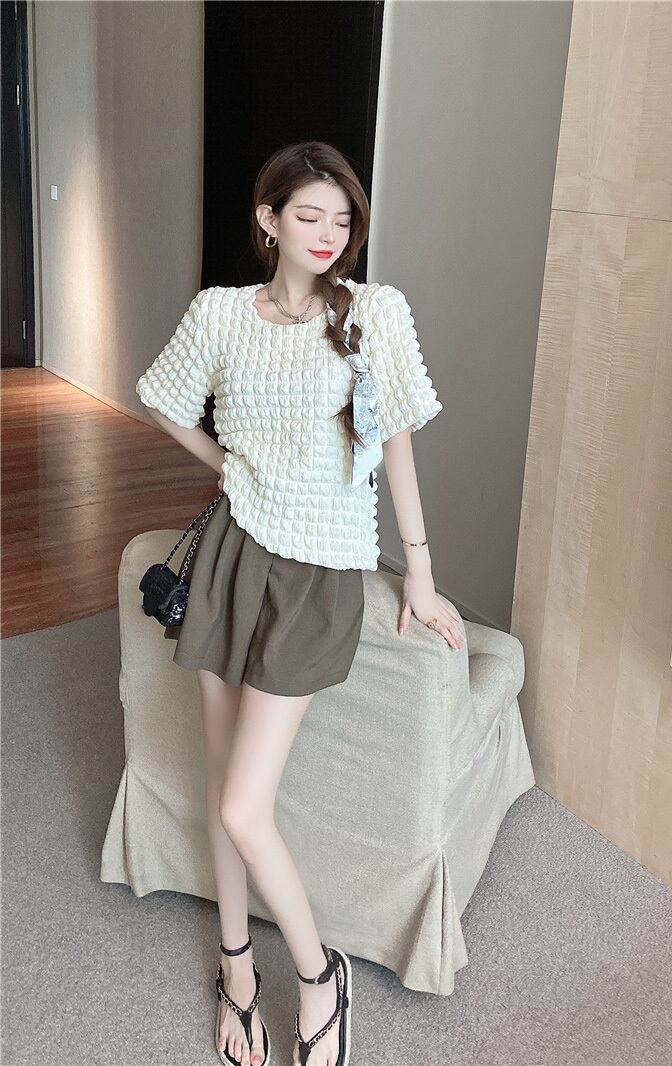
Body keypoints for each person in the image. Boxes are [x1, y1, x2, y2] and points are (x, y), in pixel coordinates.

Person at [135, 141, 464, 1066]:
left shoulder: (373, 314)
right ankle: (237, 975)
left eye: (342, 219)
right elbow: (161, 399)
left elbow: (396, 441)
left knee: (245, 807)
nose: (328, 234)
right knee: (221, 781)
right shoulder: (220, 315)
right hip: (232, 555)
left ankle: (321, 979)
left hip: (318, 573)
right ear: (268, 219)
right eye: (309, 215)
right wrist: (229, 465)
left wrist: (420, 573)